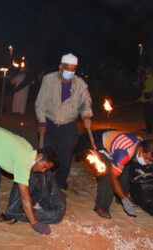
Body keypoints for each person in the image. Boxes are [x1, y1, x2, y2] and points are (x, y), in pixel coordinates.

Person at [35, 53, 93, 191]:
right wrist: (41, 122)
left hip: (69, 126)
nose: (70, 72)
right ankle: (46, 181)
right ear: (60, 67)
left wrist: (86, 116)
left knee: (66, 155)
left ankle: (60, 182)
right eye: (67, 69)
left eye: (73, 69)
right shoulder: (48, 80)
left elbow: (86, 102)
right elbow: (40, 103)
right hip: (50, 123)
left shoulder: (80, 84)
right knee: (47, 154)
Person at [74, 129, 153, 219]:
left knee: (126, 169)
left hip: (117, 145)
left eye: (150, 160)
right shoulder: (124, 152)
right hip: (101, 145)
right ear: (140, 149)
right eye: (146, 158)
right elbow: (113, 177)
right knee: (107, 173)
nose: (147, 162)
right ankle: (101, 207)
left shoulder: (142, 144)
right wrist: (124, 200)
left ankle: (121, 197)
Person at [140, 67, 153, 134]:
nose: (145, 73)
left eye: (147, 71)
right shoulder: (146, 80)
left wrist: (152, 98)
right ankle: (147, 128)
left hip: (150, 100)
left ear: (150, 72)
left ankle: (150, 130)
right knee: (146, 115)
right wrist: (141, 98)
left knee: (150, 115)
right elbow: (144, 90)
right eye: (145, 72)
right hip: (145, 100)